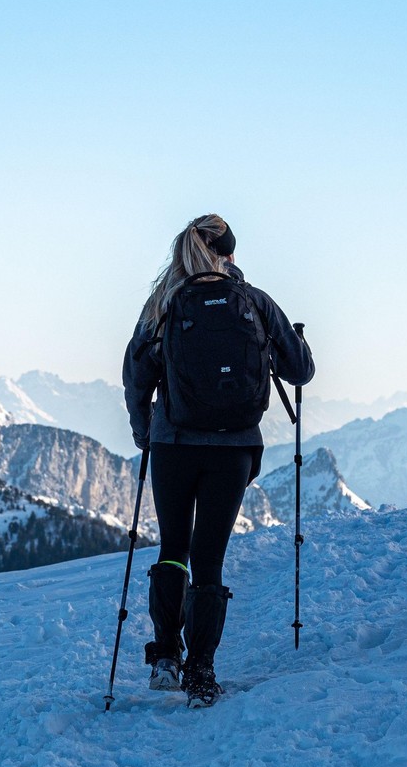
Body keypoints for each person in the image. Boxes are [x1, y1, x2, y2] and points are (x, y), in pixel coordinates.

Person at [121, 214, 313, 706]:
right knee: (209, 558)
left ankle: (166, 655)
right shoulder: (253, 302)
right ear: (228, 253)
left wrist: (146, 433)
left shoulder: (163, 305)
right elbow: (301, 371)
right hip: (233, 449)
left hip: (173, 446)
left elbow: (136, 375)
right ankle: (201, 672)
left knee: (172, 547)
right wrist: (295, 339)